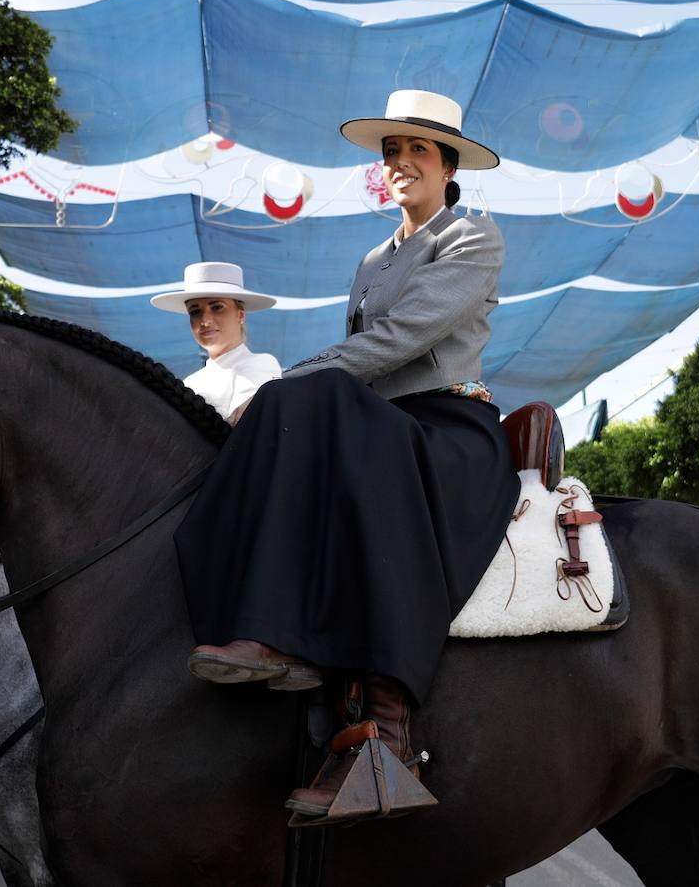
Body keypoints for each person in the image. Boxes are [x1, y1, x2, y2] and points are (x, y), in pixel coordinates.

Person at [173, 90, 518, 822]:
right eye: (391, 153)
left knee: (308, 407)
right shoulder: (370, 259)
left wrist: (284, 384)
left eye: (416, 151)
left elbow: (396, 344)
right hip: (377, 429)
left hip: (449, 428)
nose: (400, 164)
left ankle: (385, 735)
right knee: (302, 432)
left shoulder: (471, 238)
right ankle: (270, 633)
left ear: (448, 164)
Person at [151, 262, 280, 422]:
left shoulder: (261, 363)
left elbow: (248, 426)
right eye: (195, 311)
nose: (205, 321)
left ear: (240, 315)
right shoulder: (190, 382)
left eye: (217, 307)